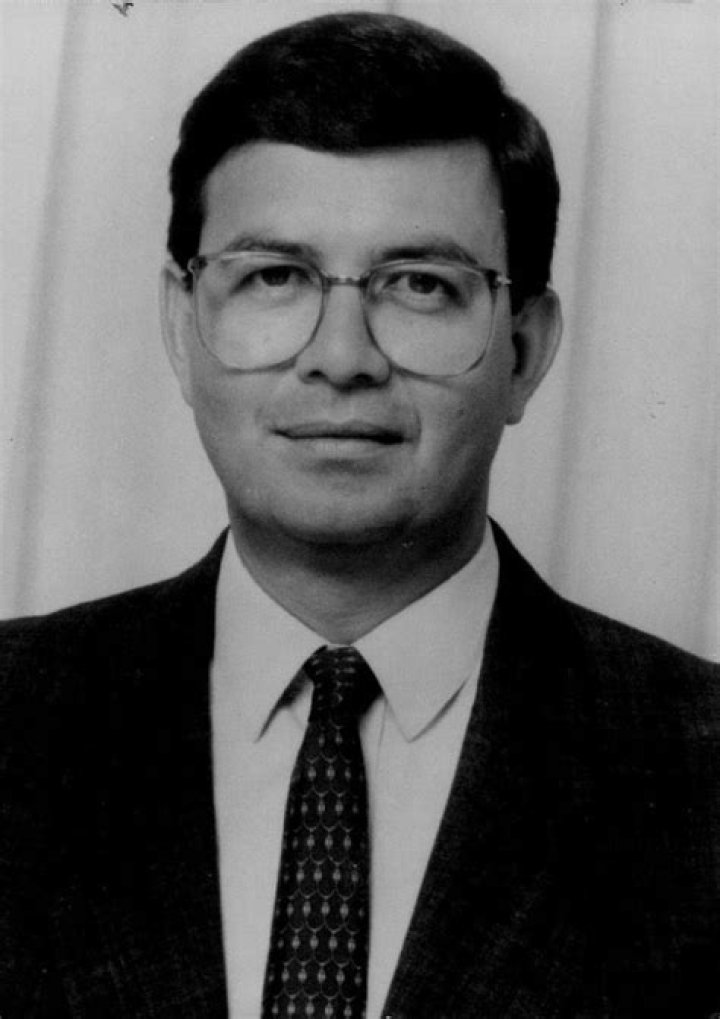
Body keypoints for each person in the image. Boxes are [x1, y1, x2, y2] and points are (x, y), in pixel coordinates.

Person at [1, 11, 718, 1019]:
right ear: (183, 326)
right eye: (275, 277)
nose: (341, 357)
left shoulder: (696, 766)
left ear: (524, 349)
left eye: (419, 285)